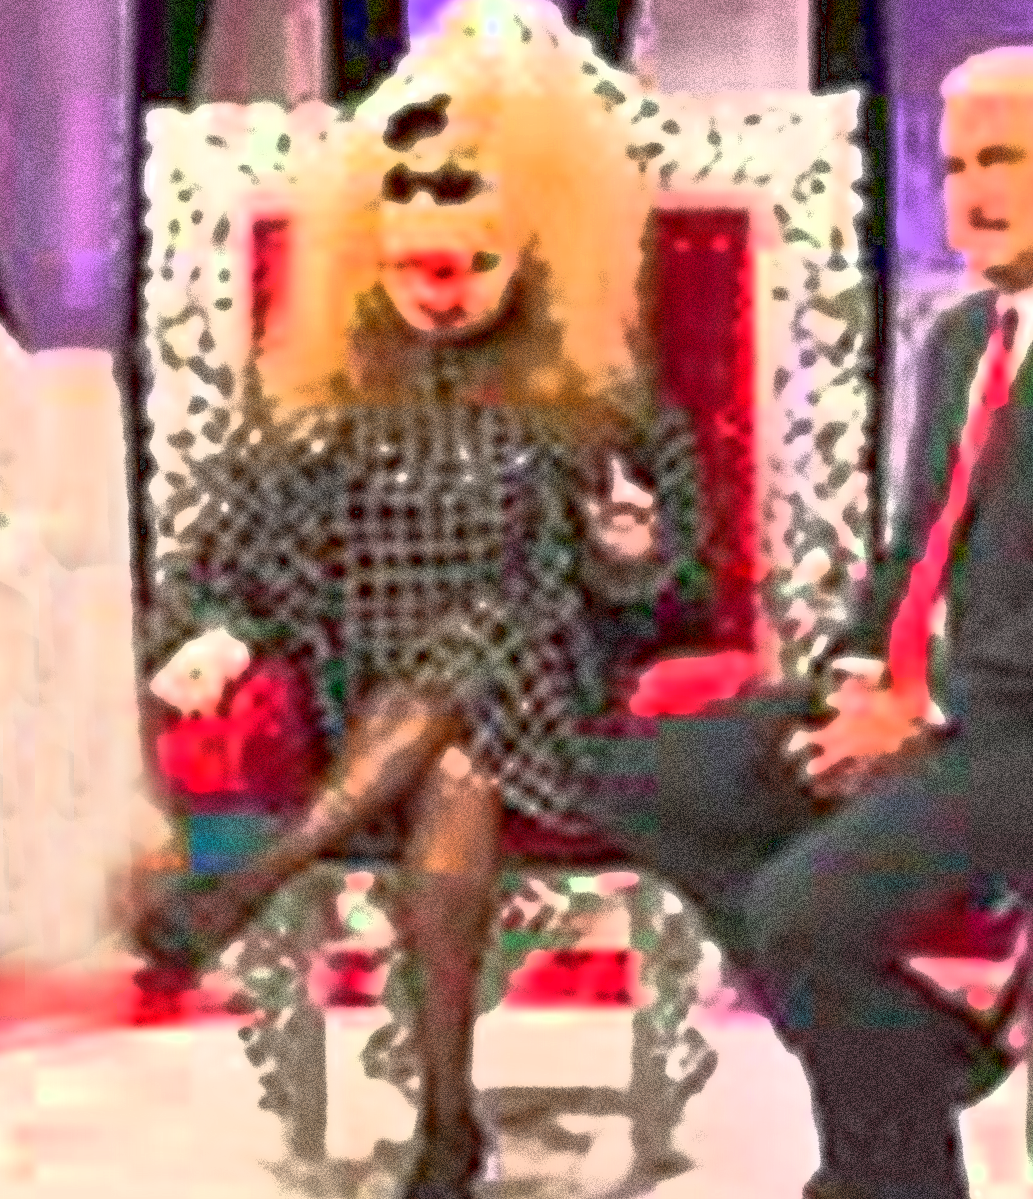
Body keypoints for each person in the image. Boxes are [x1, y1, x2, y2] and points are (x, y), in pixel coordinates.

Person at [598, 43, 1033, 1199]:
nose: (970, 192)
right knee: (650, 780)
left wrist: (926, 709)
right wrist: (861, 675)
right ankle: (924, 1049)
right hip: (951, 702)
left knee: (801, 912)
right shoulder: (959, 341)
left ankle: (889, 1175)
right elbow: (918, 552)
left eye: (1001, 159)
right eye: (952, 167)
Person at [123, 26, 707, 1199]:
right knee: (449, 760)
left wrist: (629, 550)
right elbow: (227, 556)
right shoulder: (320, 387)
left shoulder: (598, 391)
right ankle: (449, 1124)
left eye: (471, 266)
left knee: (480, 665)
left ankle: (257, 883)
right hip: (366, 703)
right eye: (414, 269)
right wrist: (218, 634)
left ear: (528, 252)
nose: (441, 294)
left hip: (545, 696)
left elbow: (676, 599)